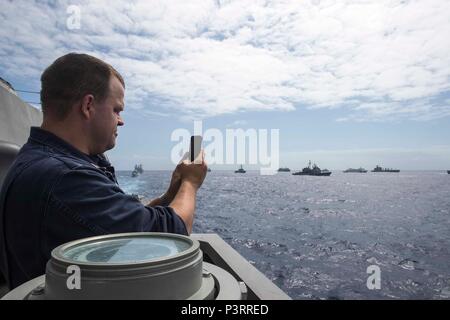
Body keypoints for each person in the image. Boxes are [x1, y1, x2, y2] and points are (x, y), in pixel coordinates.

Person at [0, 53, 207, 289]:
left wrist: (170, 195)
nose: (121, 121)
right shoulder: (66, 177)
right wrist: (190, 182)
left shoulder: (39, 158)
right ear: (88, 106)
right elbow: (172, 233)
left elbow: (116, 226)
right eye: (117, 110)